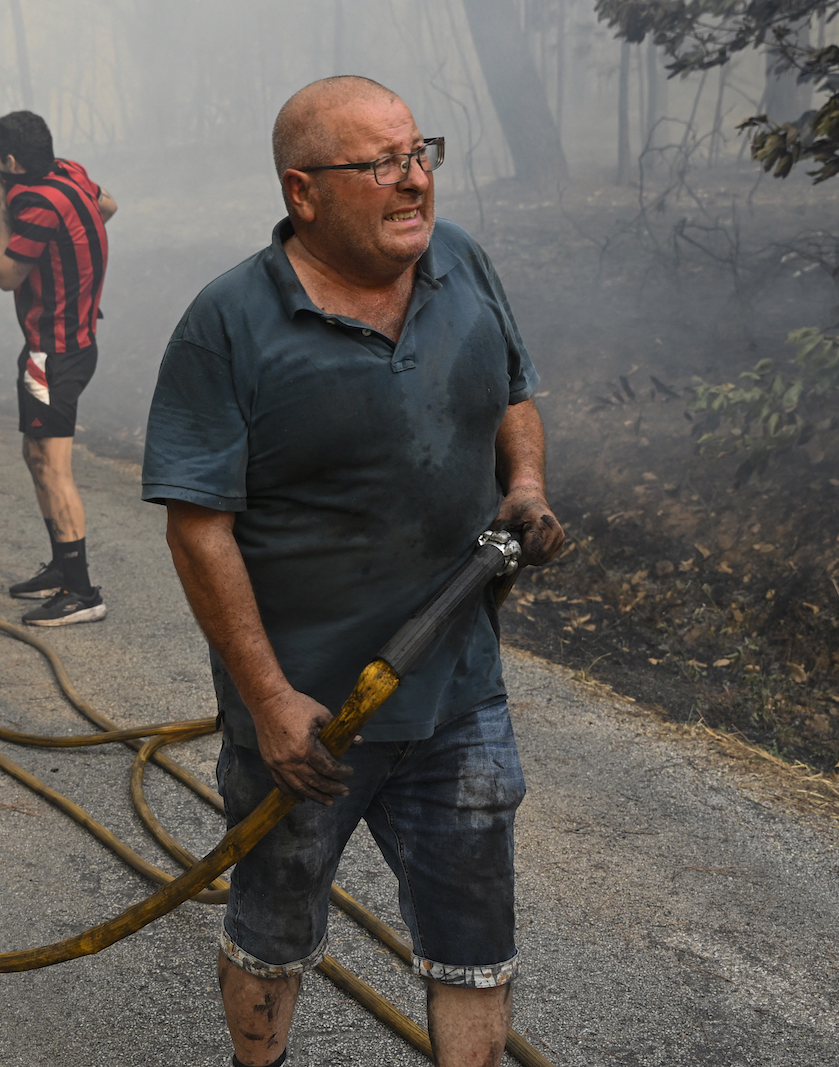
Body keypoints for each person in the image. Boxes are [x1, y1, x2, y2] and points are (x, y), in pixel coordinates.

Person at [140, 77, 564, 1067]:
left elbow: (513, 391)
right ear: (304, 192)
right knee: (274, 928)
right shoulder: (229, 324)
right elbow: (197, 530)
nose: (413, 180)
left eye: (420, 153)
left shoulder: (460, 263)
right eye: (380, 163)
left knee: (472, 940)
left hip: (458, 693)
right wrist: (270, 699)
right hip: (307, 720)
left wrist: (528, 482)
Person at [0, 110, 118, 626]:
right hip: (72, 343)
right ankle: (61, 570)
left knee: (52, 465)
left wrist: (3, 208)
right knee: (34, 454)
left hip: (52, 355)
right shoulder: (72, 174)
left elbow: (4, 275)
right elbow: (108, 205)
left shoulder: (31, 203)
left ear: (12, 161)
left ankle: (83, 593)